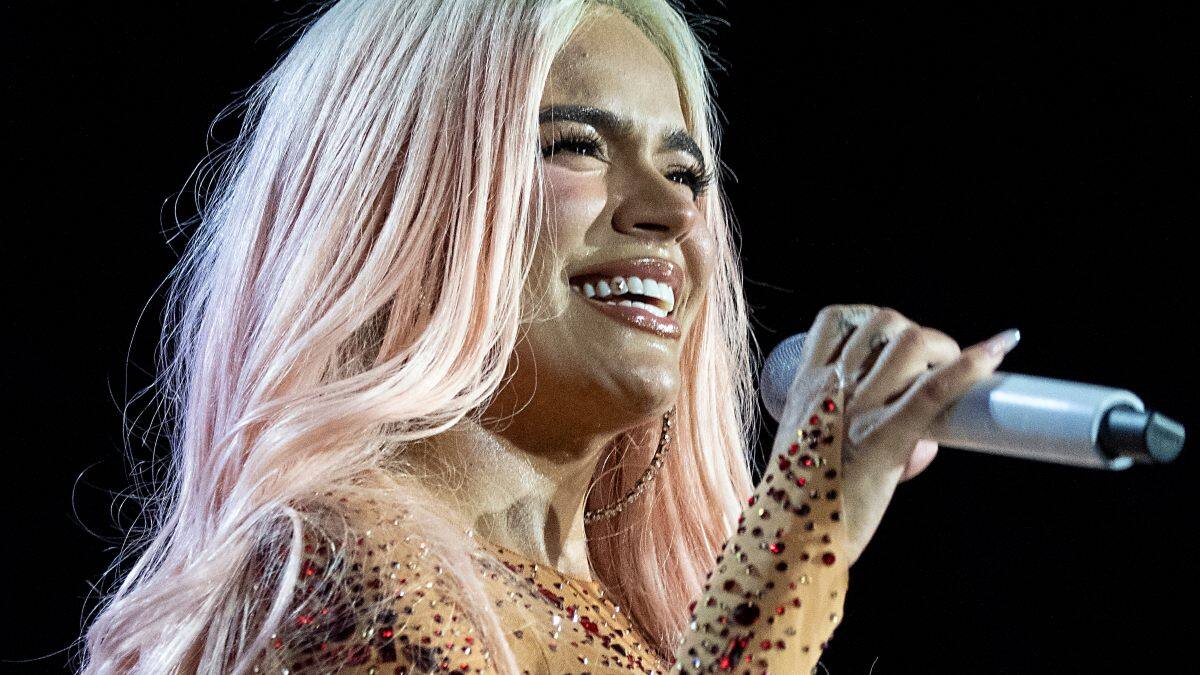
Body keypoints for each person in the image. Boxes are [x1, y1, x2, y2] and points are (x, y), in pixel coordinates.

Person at [80, 1, 1021, 673]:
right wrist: (799, 533)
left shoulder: (631, 619)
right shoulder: (334, 571)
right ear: (402, 199)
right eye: (577, 145)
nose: (670, 213)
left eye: (685, 172)